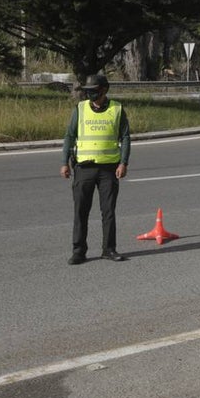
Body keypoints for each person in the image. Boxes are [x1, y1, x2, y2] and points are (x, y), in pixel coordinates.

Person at [60, 74, 131, 264]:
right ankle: (79, 251)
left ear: (104, 90)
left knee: (108, 211)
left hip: (109, 169)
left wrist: (123, 162)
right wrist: (64, 162)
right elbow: (69, 136)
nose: (90, 94)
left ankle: (109, 249)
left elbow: (125, 137)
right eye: (88, 91)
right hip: (84, 168)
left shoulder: (117, 109)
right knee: (80, 211)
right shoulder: (80, 109)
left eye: (94, 91)